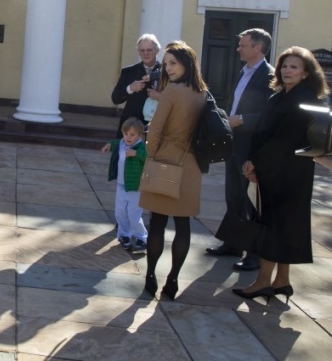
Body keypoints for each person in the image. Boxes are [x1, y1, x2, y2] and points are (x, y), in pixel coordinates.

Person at [233, 47, 329, 304]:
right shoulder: (278, 97)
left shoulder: (306, 97)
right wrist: (251, 162)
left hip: (290, 173)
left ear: (306, 72)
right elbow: (262, 132)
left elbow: (284, 140)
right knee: (281, 226)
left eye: (294, 67)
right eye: (285, 66)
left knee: (275, 227)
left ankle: (264, 281)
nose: (287, 71)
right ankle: (281, 281)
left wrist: (256, 163)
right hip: (272, 170)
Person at [140, 40, 207, 301]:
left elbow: (154, 129)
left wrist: (152, 155)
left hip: (166, 158)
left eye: (173, 63)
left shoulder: (172, 92)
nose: (168, 68)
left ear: (186, 64)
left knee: (158, 222)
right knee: (183, 223)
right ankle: (174, 279)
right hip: (191, 163)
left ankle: (150, 276)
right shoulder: (202, 93)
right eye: (166, 63)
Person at [206, 29, 274, 272]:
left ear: (258, 47)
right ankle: (233, 243)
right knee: (233, 196)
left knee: (250, 200)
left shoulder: (269, 76)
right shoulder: (243, 72)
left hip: (252, 147)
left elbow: (271, 115)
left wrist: (243, 119)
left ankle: (255, 254)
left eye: (243, 45)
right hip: (234, 143)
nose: (238, 49)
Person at [102, 117, 148, 252]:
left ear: (139, 135)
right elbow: (116, 143)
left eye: (132, 135)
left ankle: (141, 237)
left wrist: (136, 154)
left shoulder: (141, 147)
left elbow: (149, 157)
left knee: (134, 215)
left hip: (135, 187)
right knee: (120, 212)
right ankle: (124, 235)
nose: (128, 137)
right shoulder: (122, 143)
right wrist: (109, 144)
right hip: (121, 186)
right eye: (126, 134)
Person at [111, 34, 161, 137]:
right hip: (130, 128)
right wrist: (130, 88)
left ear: (157, 51)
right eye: (142, 50)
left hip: (155, 127)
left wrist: (160, 96)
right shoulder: (128, 71)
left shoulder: (166, 72)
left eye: (149, 50)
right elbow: (115, 98)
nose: (145, 53)